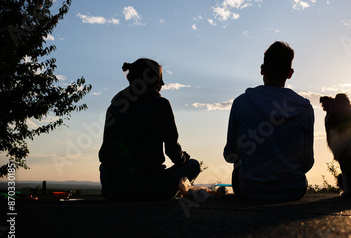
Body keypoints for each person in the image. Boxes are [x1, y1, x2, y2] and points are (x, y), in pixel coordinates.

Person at [99, 58, 200, 201]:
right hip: (152, 190)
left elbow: (104, 155)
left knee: (104, 167)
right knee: (193, 165)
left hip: (114, 191)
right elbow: (173, 152)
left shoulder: (114, 108)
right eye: (160, 78)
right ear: (151, 78)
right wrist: (184, 158)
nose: (163, 83)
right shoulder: (161, 105)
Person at [223, 41, 314, 201]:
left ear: (262, 69)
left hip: (249, 190)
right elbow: (307, 162)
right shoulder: (305, 108)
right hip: (294, 191)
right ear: (290, 73)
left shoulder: (242, 102)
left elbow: (231, 154)